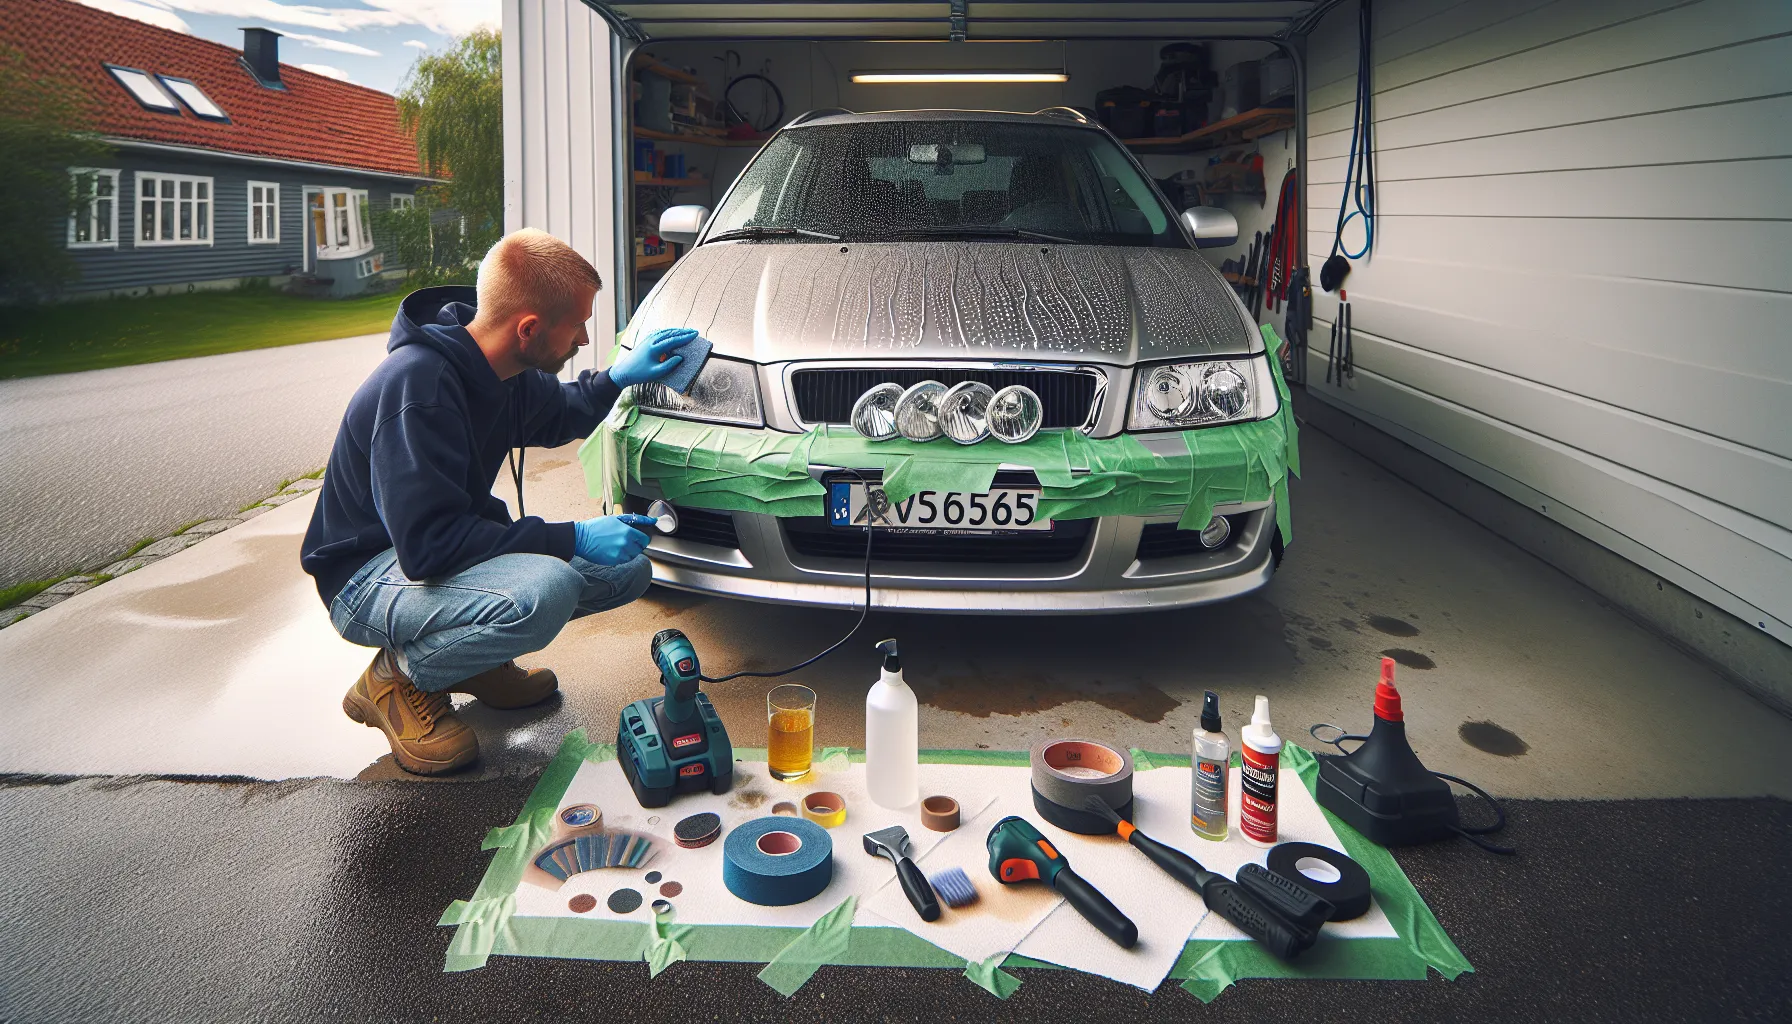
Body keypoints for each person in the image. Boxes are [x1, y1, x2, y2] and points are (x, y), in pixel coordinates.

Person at [301, 229, 695, 775]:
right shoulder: (420, 389)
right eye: (578, 323)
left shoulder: (500, 369)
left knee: (628, 568)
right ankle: (396, 677)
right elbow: (428, 549)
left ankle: (470, 662)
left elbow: (558, 413)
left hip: (432, 551)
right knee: (546, 589)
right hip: (367, 573)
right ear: (528, 328)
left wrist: (619, 378)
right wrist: (573, 537)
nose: (585, 337)